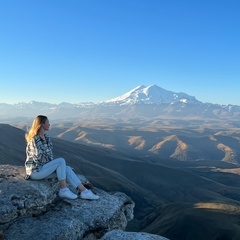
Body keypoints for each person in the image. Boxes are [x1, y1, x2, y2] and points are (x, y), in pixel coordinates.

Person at [25, 115, 99, 200]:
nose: (49, 124)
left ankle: (84, 191)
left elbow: (49, 157)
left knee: (66, 168)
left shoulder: (47, 138)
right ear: (42, 124)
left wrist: (59, 168)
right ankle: (63, 189)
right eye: (47, 122)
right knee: (61, 161)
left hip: (43, 169)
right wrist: (55, 166)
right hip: (35, 171)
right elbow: (38, 159)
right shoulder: (34, 140)